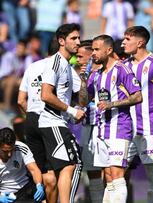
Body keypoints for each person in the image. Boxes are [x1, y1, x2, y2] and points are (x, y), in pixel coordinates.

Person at [79, 34, 142, 203]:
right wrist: (84, 80)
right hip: (101, 131)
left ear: (108, 50)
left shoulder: (122, 70)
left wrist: (112, 104)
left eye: (96, 49)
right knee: (108, 176)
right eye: (92, 49)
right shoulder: (96, 74)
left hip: (120, 127)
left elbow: (137, 96)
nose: (93, 53)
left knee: (117, 174)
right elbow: (84, 101)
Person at [122, 25, 153, 203]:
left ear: (140, 42)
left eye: (127, 39)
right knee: (115, 174)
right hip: (125, 128)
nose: (123, 43)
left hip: (149, 127)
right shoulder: (124, 65)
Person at [38, 23, 84, 203]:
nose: (78, 42)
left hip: (59, 121)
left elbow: (73, 96)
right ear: (61, 41)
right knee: (70, 165)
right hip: (52, 121)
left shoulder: (66, 65)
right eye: (74, 38)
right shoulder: (55, 63)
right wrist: (72, 111)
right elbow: (46, 95)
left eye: (78, 38)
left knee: (64, 168)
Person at [17, 39, 60, 203]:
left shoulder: (32, 66)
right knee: (53, 174)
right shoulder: (61, 67)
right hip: (51, 122)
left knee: (37, 171)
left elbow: (21, 100)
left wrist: (31, 117)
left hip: (32, 121)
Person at [75, 39, 104, 203]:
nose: (77, 60)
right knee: (92, 171)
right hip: (88, 125)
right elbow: (82, 102)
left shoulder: (104, 72)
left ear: (91, 55)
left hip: (104, 125)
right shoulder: (82, 76)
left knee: (109, 172)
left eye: (80, 56)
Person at [0, 127, 45, 203]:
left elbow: (34, 170)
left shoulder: (21, 147)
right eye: (5, 151)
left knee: (49, 179)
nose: (9, 154)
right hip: (5, 195)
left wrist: (39, 185)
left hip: (25, 188)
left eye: (12, 150)